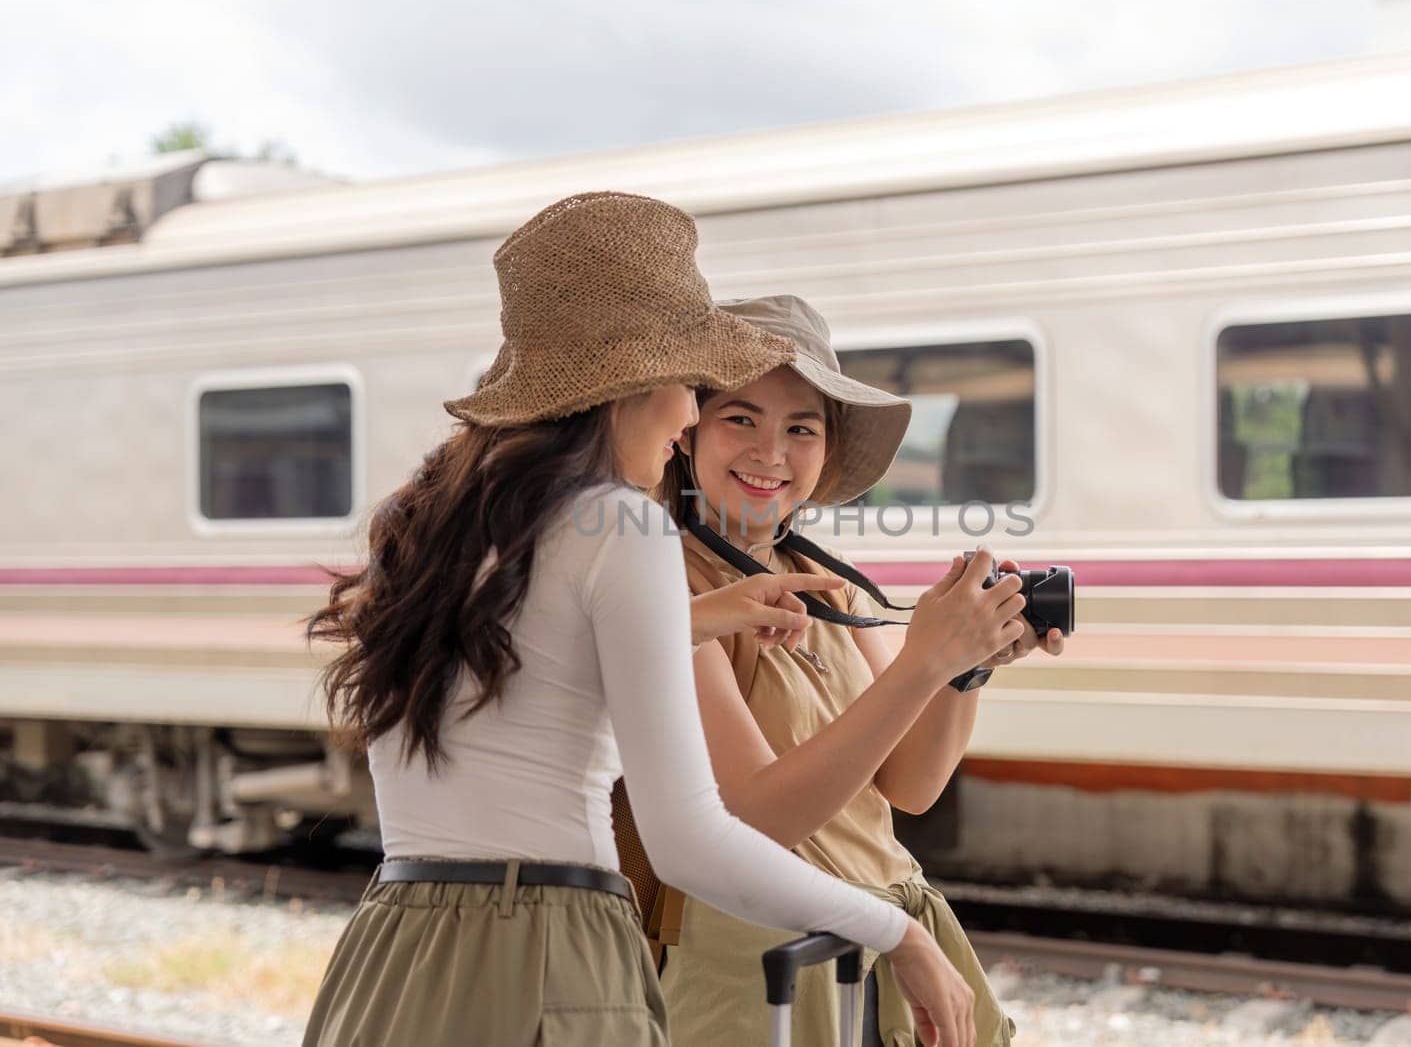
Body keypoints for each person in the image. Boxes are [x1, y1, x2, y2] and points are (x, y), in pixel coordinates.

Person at [301, 195, 1014, 1046]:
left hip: (394, 948)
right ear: (631, 385)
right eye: (692, 385)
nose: (685, 417)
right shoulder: (625, 527)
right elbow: (691, 840)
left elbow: (538, 669)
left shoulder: (425, 523)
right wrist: (896, 931)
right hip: (550, 952)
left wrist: (698, 617)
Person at [652, 294, 1067, 1046]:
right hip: (756, 966)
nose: (770, 452)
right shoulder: (666, 584)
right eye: (740, 418)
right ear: (687, 433)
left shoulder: (829, 582)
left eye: (801, 428)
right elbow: (755, 819)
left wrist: (965, 667)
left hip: (884, 942)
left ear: (827, 448)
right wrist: (926, 658)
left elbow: (909, 786)